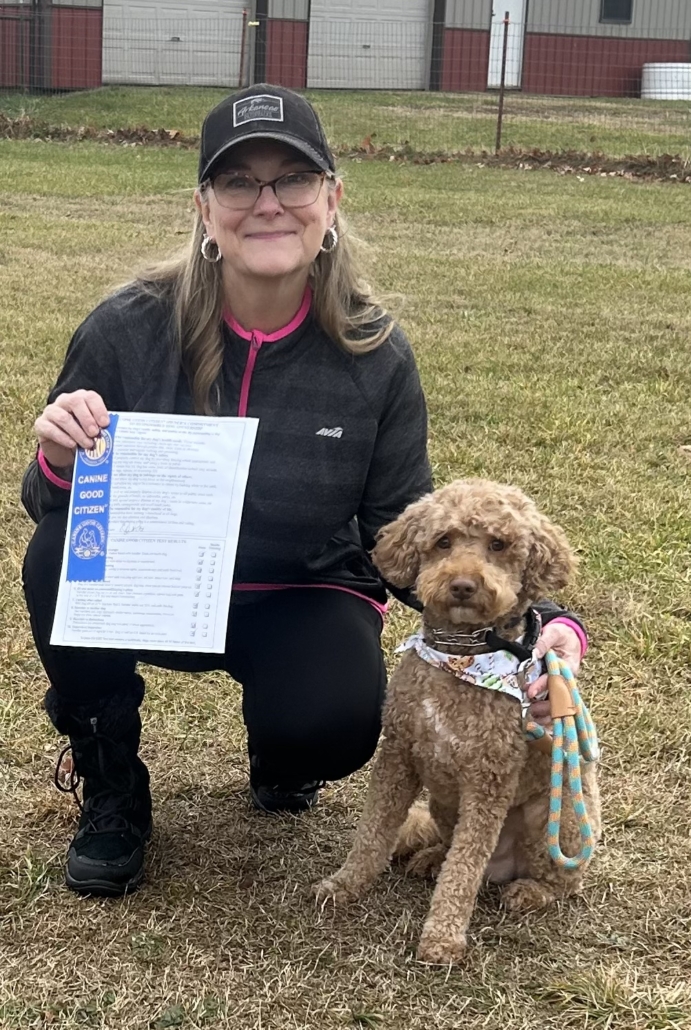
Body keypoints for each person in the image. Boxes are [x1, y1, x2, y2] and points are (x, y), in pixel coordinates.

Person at [20, 84, 587, 899]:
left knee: (329, 723)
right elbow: (44, 503)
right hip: (152, 588)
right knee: (51, 562)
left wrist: (540, 625)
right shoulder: (125, 328)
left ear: (331, 199)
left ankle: (283, 756)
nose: (267, 203)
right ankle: (112, 783)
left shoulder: (377, 356)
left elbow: (407, 539)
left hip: (296, 594)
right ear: (204, 207)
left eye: (292, 180)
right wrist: (61, 463)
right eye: (238, 182)